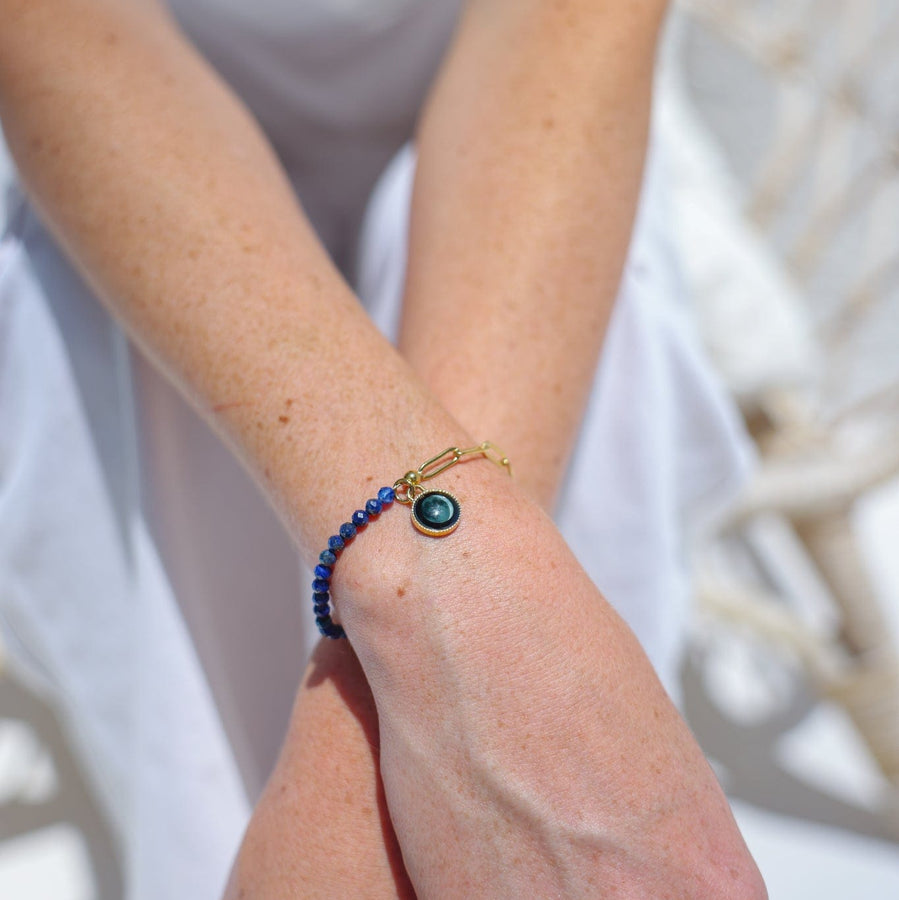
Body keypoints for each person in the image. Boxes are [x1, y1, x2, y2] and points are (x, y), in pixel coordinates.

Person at [0, 0, 765, 896]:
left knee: (596, 330)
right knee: (99, 329)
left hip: (536, 133)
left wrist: (360, 741)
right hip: (118, 146)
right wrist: (430, 614)